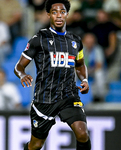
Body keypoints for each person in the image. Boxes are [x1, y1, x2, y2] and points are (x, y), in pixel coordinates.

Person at [14, 0, 91, 150]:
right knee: (36, 145)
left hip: (68, 96)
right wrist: (22, 75)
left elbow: (80, 65)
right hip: (44, 99)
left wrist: (85, 79)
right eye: (54, 12)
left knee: (82, 133)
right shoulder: (39, 39)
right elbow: (19, 66)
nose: (59, 16)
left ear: (67, 14)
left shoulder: (76, 41)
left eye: (62, 12)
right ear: (48, 15)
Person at [82, 33, 106, 102]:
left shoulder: (98, 49)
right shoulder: (80, 49)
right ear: (84, 41)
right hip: (82, 71)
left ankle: (100, 96)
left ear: (94, 41)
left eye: (91, 39)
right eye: (87, 39)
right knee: (72, 72)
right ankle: (70, 95)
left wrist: (90, 70)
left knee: (99, 73)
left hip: (93, 71)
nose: (89, 41)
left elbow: (99, 65)